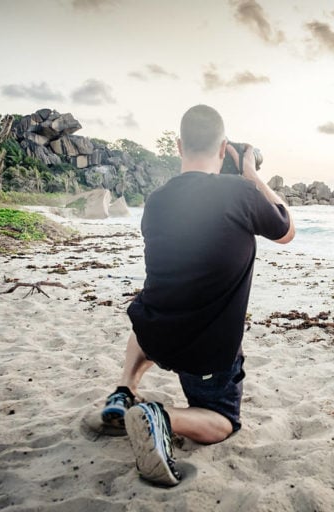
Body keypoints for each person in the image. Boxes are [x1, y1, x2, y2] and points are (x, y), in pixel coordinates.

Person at [100, 104, 294, 486]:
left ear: (178, 145)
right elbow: (286, 229)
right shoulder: (240, 192)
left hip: (157, 334)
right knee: (223, 422)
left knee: (147, 309)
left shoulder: (155, 201)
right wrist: (252, 173)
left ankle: (124, 391)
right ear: (223, 149)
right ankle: (162, 417)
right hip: (206, 354)